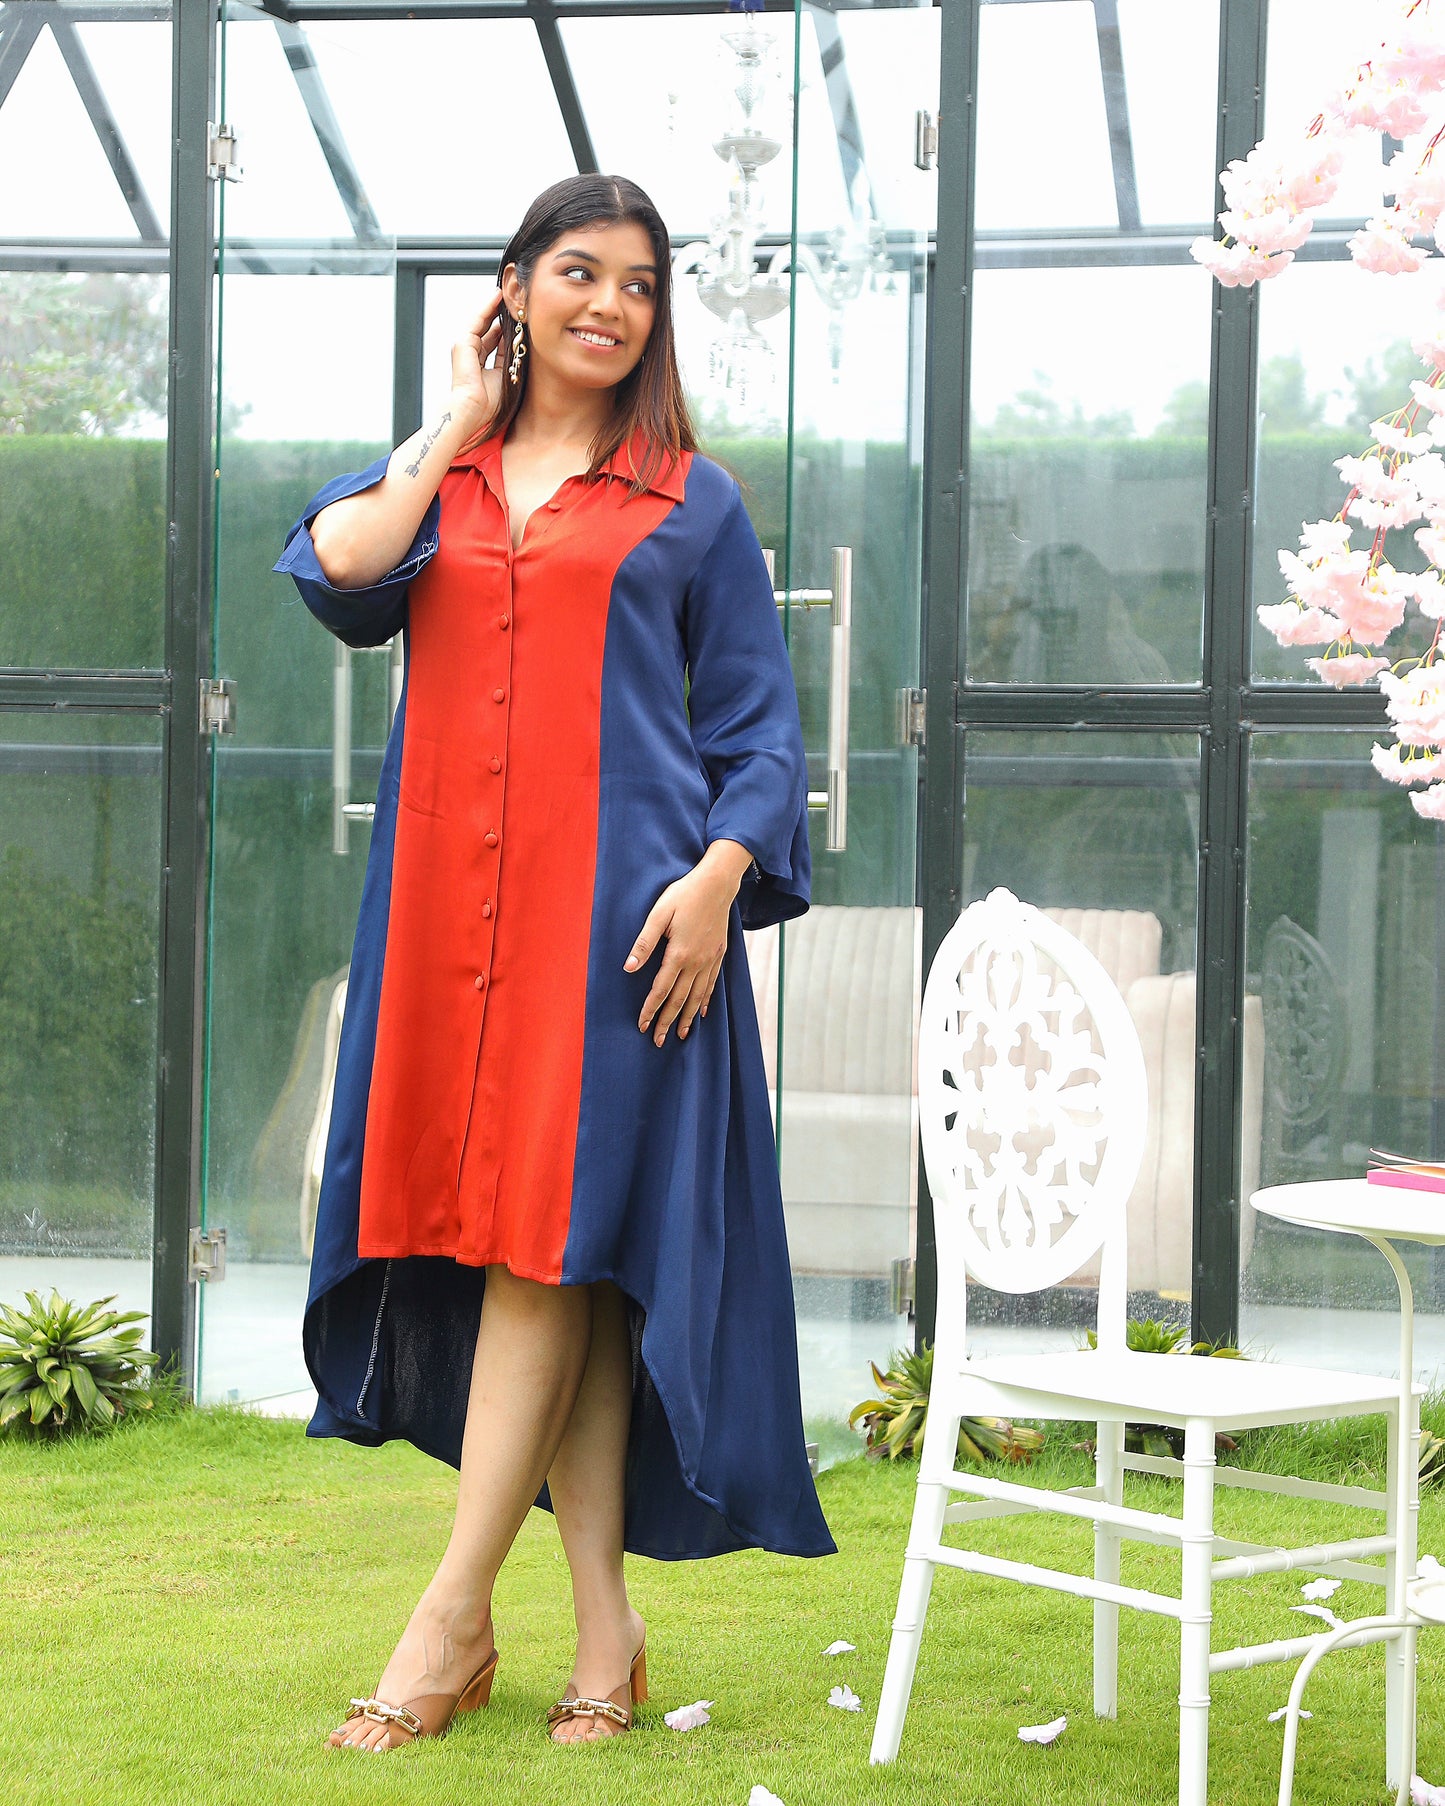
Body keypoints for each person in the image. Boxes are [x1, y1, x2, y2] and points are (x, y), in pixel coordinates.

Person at [272, 172, 836, 1754]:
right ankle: (606, 1629)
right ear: (514, 289)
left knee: (544, 1251)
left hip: (627, 942)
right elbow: (336, 571)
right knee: (563, 1268)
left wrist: (724, 878)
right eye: (576, 273)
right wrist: (457, 417)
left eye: (638, 284)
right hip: (451, 934)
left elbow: (757, 733)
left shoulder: (690, 502)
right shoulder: (436, 485)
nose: (608, 304)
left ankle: (448, 1617)